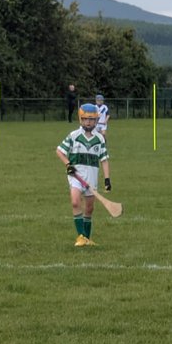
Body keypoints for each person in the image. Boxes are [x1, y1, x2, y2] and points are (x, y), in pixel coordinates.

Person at [56, 103, 107, 246]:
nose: (88, 122)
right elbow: (59, 151)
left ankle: (87, 238)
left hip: (91, 177)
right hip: (75, 176)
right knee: (75, 202)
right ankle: (80, 237)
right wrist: (68, 164)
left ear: (96, 120)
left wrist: (107, 179)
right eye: (85, 119)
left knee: (89, 209)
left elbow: (104, 159)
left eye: (91, 119)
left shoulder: (100, 138)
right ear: (80, 119)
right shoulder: (73, 135)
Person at [93, 94, 112, 191]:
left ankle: (104, 145)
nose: (99, 102)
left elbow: (108, 114)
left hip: (103, 124)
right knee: (96, 136)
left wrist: (105, 120)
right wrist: (96, 119)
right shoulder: (94, 108)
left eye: (101, 100)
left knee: (103, 134)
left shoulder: (105, 107)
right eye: (98, 100)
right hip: (96, 124)